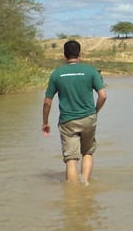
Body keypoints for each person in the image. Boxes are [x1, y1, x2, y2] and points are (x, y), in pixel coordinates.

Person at [42, 40, 107, 185]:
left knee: (71, 159)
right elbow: (103, 95)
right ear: (80, 54)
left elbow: (47, 102)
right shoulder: (91, 71)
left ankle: (73, 194)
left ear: (64, 55)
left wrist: (45, 122)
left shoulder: (57, 74)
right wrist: (95, 111)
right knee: (88, 153)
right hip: (89, 118)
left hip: (68, 121)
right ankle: (85, 184)